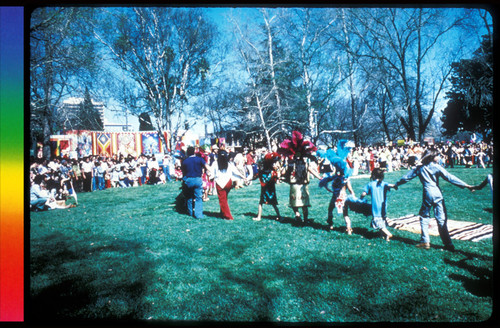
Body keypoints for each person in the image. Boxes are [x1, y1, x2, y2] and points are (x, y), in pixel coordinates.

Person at [395, 148, 475, 251]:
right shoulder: (437, 167)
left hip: (427, 193)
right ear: (433, 157)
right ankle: (448, 244)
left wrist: (397, 184)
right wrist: (466, 185)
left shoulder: (420, 168)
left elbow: (406, 177)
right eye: (438, 155)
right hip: (437, 193)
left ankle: (425, 241)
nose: (440, 157)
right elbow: (450, 178)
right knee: (441, 219)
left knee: (424, 216)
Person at [279, 131, 322, 223]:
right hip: (303, 185)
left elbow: (282, 173)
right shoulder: (305, 164)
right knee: (304, 204)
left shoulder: (290, 164)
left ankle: (297, 215)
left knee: (294, 203)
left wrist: (284, 164)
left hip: (294, 186)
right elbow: (312, 171)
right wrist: (319, 177)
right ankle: (305, 219)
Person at [344, 168, 396, 241]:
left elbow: (363, 193)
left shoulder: (370, 184)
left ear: (373, 176)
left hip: (375, 206)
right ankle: (383, 236)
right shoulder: (384, 184)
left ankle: (388, 234)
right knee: (382, 219)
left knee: (377, 220)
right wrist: (395, 186)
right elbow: (391, 185)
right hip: (383, 206)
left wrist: (361, 198)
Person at [212, 149, 247, 220]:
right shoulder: (229, 163)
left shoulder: (215, 163)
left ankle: (228, 216)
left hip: (220, 183)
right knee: (225, 198)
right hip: (228, 183)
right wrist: (243, 176)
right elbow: (236, 171)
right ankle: (222, 213)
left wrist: (211, 178)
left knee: (223, 200)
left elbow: (212, 173)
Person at [181, 146, 210, 219]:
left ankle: (190, 212)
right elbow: (207, 167)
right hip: (197, 179)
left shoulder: (185, 161)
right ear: (194, 151)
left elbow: (183, 172)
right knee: (198, 198)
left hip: (189, 180)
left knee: (189, 197)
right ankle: (198, 215)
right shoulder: (199, 159)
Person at [253, 152, 282, 222]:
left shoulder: (265, 172)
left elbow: (259, 177)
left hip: (266, 189)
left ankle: (259, 217)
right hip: (270, 189)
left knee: (261, 202)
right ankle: (279, 216)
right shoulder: (271, 171)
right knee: (272, 203)